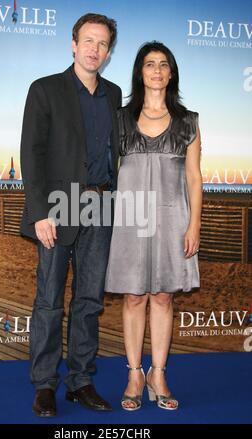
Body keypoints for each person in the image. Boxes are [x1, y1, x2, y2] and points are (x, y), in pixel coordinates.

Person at [20, 13, 122, 417]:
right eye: (88, 41)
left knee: (89, 301)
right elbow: (32, 154)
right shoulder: (45, 89)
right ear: (73, 44)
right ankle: (44, 384)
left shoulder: (113, 95)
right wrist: (41, 212)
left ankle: (81, 381)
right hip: (57, 209)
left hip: (100, 205)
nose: (95, 49)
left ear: (108, 52)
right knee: (48, 300)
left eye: (102, 43)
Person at [105, 41, 202, 411]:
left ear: (171, 72)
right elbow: (106, 171)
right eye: (149, 64)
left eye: (163, 64)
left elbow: (194, 178)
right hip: (130, 220)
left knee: (163, 296)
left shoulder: (189, 120)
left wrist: (195, 224)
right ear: (140, 72)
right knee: (133, 296)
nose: (157, 70)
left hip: (172, 218)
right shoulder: (120, 119)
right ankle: (134, 373)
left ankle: (158, 372)